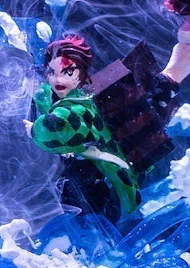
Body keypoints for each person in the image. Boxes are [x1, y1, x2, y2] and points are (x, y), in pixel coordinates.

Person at [28, 34, 138, 223]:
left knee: (87, 213)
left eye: (68, 72)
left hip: (96, 179)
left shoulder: (80, 106)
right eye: (52, 73)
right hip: (80, 174)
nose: (58, 79)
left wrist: (33, 130)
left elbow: (57, 125)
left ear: (82, 72)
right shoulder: (67, 98)